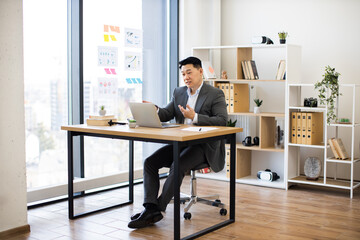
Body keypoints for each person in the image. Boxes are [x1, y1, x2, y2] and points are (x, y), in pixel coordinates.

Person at [128, 56, 228, 229]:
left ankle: (158, 209)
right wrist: (155, 109)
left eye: (189, 72)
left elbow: (222, 121)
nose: (186, 77)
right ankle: (150, 207)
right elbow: (167, 113)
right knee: (150, 163)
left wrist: (194, 117)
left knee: (178, 164)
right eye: (183, 74)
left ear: (200, 71)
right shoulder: (179, 92)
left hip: (203, 146)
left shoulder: (215, 94)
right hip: (181, 143)